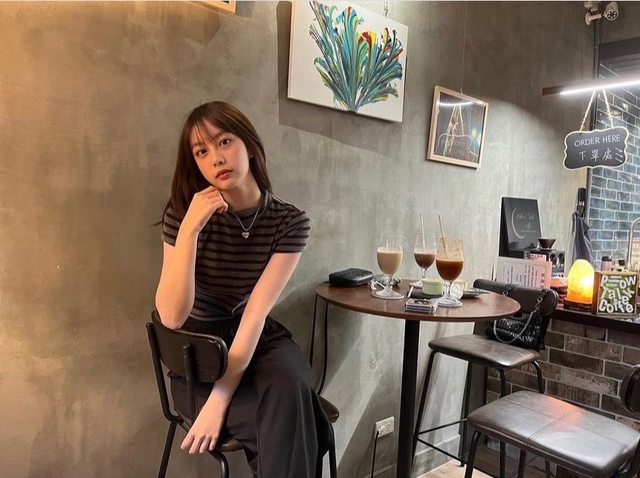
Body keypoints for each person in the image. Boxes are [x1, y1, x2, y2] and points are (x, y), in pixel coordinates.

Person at [155, 101, 330, 477]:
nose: (216, 158)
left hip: (256, 338)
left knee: (292, 388)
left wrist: (220, 400)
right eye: (201, 151)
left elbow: (254, 315)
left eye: (224, 141)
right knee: (295, 419)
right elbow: (171, 316)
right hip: (199, 353)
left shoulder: (289, 222)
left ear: (248, 144)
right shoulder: (183, 213)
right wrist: (190, 229)